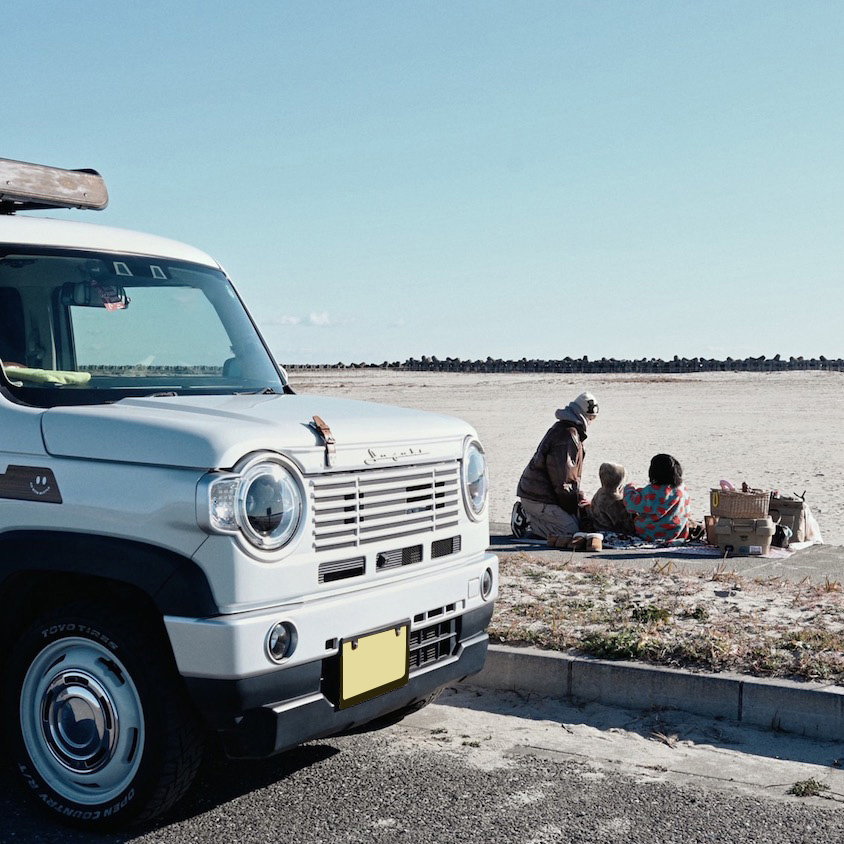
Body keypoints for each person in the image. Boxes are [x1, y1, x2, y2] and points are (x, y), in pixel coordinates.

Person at [511, 391, 598, 541]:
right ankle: (527, 520)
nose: (592, 422)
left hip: (538, 493)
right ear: (585, 415)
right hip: (538, 497)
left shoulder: (566, 430)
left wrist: (577, 498)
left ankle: (532, 515)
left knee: (575, 521)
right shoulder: (568, 435)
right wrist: (574, 506)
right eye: (592, 418)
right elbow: (563, 481)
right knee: (571, 533)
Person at [623, 453, 692, 542]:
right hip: (678, 533)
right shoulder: (682, 488)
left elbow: (631, 505)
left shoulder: (653, 491)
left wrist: (629, 487)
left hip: (650, 534)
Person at [591, 462, 636, 535]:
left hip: (598, 528)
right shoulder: (614, 500)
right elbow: (626, 525)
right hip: (611, 532)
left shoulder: (600, 492)